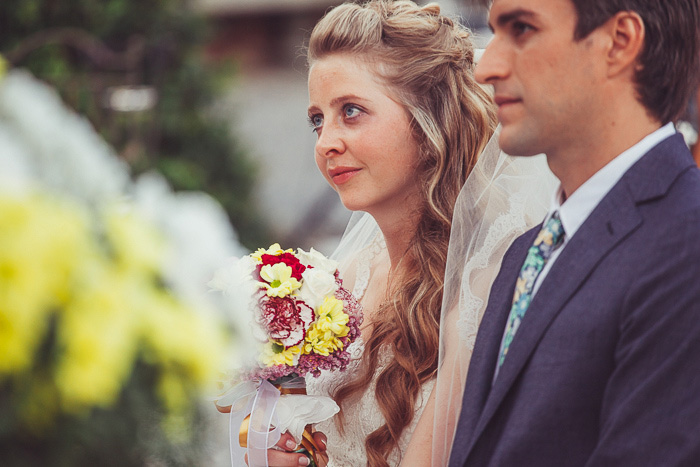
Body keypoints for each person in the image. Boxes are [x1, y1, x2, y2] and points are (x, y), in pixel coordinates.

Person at [260, 1, 553, 466]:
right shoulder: (348, 275)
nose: (325, 142)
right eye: (318, 119)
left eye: (351, 111)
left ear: (428, 121)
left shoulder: (481, 293)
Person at [449, 0, 700, 465]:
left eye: (521, 28)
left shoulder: (687, 243)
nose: (487, 66)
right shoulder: (527, 250)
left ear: (620, 42)